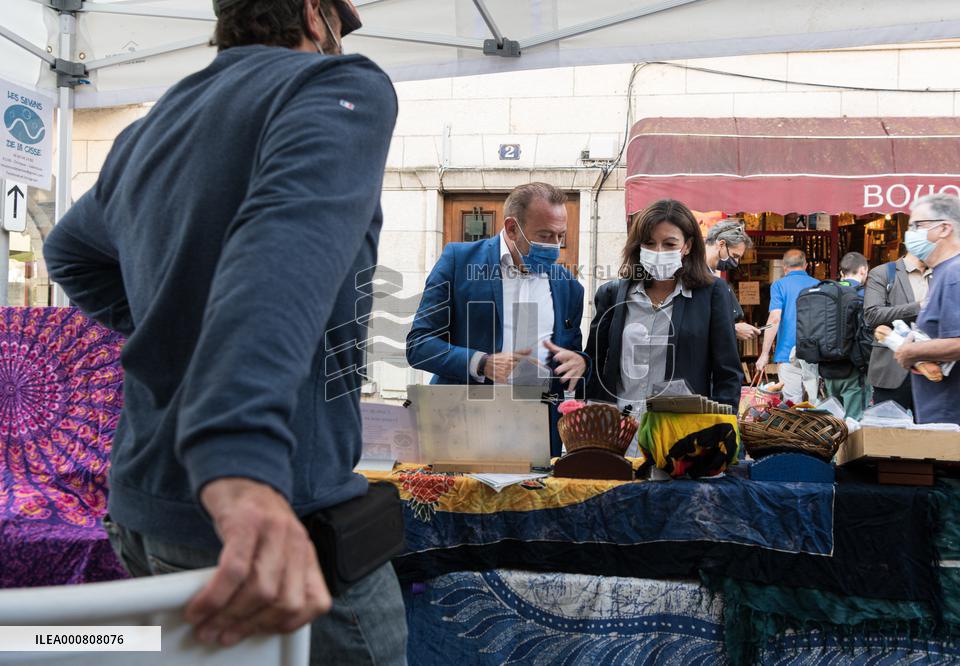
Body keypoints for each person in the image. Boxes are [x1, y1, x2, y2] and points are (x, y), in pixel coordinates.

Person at [43, 1, 407, 663]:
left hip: (145, 506)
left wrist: (166, 325)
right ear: (313, 12)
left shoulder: (151, 129)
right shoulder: (334, 86)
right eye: (343, 23)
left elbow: (69, 252)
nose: (344, 41)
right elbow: (283, 244)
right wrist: (238, 458)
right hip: (261, 510)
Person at [405, 182, 588, 457]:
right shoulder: (458, 262)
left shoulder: (568, 286)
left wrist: (580, 361)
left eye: (560, 236)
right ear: (512, 228)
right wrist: (482, 363)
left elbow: (571, 357)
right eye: (545, 235)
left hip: (538, 433)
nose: (555, 247)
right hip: (461, 426)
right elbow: (418, 346)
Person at [584, 199, 742, 419]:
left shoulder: (712, 294)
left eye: (669, 244)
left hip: (680, 436)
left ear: (687, 246)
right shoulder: (612, 295)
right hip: (619, 433)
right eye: (649, 243)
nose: (658, 251)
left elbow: (728, 373)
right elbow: (594, 363)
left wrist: (721, 427)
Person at [894, 193, 960, 424]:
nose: (910, 234)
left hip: (957, 423)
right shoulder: (955, 271)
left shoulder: (958, 274)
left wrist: (910, 352)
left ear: (944, 229)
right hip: (952, 419)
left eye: (917, 225)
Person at [864, 251, 931, 414]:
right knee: (888, 433)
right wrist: (919, 306)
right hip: (891, 369)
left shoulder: (941, 275)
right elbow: (872, 315)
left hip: (930, 367)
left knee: (933, 433)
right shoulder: (883, 273)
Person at [756, 249, 820, 404]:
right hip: (814, 352)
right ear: (805, 265)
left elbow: (775, 318)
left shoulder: (779, 285)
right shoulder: (818, 285)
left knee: (792, 404)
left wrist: (765, 353)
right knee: (812, 403)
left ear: (784, 267)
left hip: (787, 352)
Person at [822, 252, 869, 420]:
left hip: (827, 368)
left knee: (834, 423)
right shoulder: (864, 295)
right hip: (854, 370)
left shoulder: (825, 292)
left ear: (842, 272)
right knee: (855, 424)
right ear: (863, 270)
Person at [704, 220, 760, 341]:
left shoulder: (709, 274)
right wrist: (732, 329)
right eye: (735, 256)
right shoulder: (694, 274)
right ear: (721, 244)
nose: (735, 263)